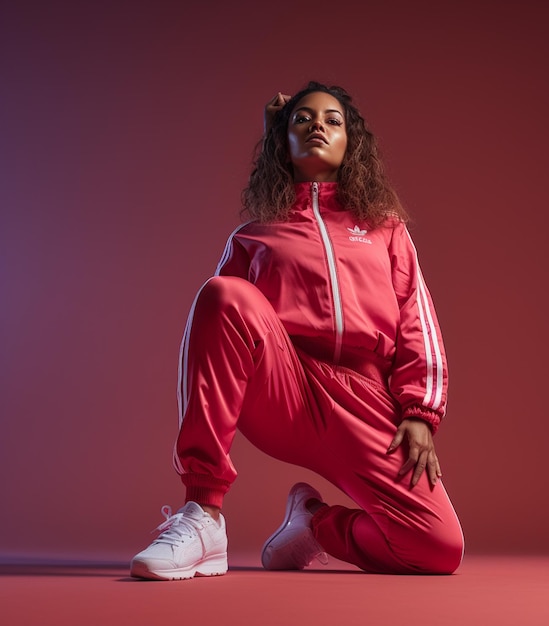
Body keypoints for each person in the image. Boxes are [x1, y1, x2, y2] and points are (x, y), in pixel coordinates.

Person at [130, 81, 464, 580]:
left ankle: (313, 524)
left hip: (366, 405)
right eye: (302, 120)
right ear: (281, 140)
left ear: (352, 143)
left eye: (333, 121)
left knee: (436, 548)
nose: (318, 127)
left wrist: (420, 411)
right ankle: (204, 515)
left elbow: (418, 319)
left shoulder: (385, 228)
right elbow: (220, 334)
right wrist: (277, 134)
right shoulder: (256, 233)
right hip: (286, 388)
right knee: (223, 294)